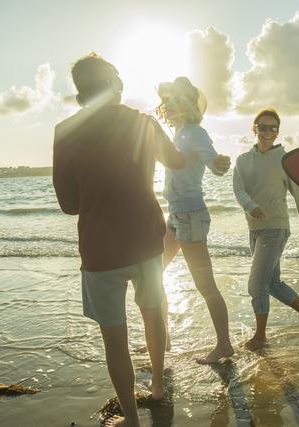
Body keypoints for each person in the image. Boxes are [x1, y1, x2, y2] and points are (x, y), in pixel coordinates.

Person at [52, 53, 185, 427]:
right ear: (117, 86)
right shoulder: (143, 123)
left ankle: (131, 418)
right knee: (154, 314)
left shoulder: (65, 131)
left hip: (99, 250)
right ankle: (158, 386)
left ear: (80, 96)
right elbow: (176, 162)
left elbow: (68, 205)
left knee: (115, 341)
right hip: (146, 240)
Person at [154, 76, 235, 364]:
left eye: (177, 101)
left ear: (188, 105)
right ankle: (162, 339)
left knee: (205, 284)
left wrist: (220, 164)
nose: (171, 107)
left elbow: (214, 163)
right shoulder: (177, 134)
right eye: (168, 102)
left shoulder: (195, 133)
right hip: (175, 214)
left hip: (191, 214)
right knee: (153, 275)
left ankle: (224, 345)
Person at [233, 108, 299, 350]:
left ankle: (260, 336)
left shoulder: (285, 160)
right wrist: (251, 207)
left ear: (278, 131)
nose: (268, 132)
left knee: (256, 285)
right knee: (272, 284)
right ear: (255, 129)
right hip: (255, 230)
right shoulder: (243, 160)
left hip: (276, 229)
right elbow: (238, 189)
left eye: (273, 128)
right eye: (263, 127)